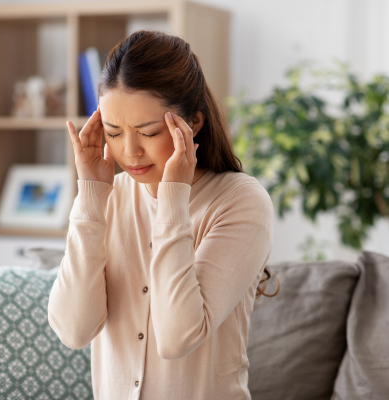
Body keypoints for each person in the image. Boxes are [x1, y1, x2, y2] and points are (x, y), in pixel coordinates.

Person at [48, 30, 279, 400]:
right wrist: (91, 196)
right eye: (114, 132)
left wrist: (173, 200)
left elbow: (176, 337)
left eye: (148, 132)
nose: (130, 152)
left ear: (195, 123)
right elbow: (74, 331)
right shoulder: (108, 197)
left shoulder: (241, 202)